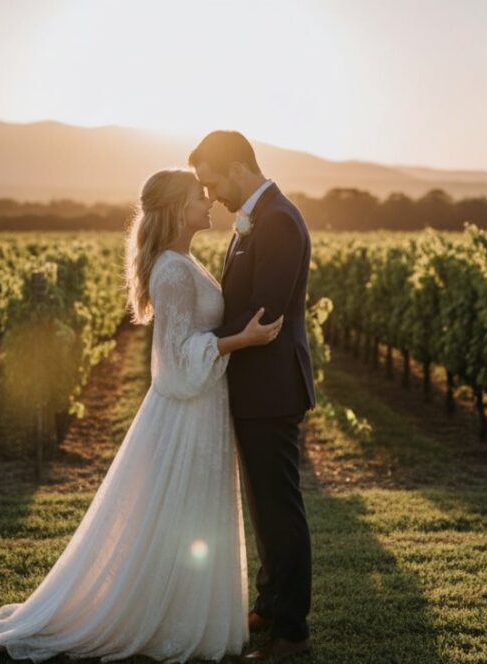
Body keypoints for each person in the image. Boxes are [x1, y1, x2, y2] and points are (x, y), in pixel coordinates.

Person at [0, 168, 282, 662]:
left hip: (202, 407)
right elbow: (174, 361)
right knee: (179, 514)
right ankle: (164, 616)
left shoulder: (183, 261)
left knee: (190, 515)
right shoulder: (172, 269)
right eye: (200, 196)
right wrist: (243, 340)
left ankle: (186, 611)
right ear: (177, 209)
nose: (210, 201)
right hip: (185, 410)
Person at [189, 130, 316, 660]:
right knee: (264, 505)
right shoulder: (259, 218)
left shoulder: (279, 221)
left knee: (280, 507)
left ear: (238, 168)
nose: (212, 195)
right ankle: (269, 602)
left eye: (212, 182)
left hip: (271, 387)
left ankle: (291, 632)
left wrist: (201, 343)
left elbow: (265, 311)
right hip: (254, 386)